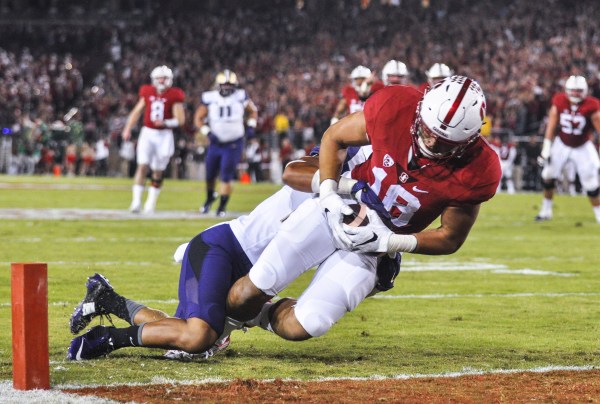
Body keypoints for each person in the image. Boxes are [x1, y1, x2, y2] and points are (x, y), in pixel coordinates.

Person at [226, 76, 501, 342]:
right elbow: (334, 136)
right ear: (421, 109)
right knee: (248, 291)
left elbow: (450, 236)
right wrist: (329, 193)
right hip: (338, 209)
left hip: (377, 248)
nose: (429, 143)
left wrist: (390, 241)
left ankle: (256, 316)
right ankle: (222, 322)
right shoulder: (396, 104)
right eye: (427, 131)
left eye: (443, 143)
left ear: (468, 140)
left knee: (309, 323)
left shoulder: (479, 168)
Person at [66, 150, 399, 360]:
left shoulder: (364, 216)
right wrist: (343, 186)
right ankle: (106, 339)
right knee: (196, 337)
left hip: (252, 274)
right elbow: (297, 169)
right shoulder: (338, 173)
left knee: (186, 333)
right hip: (225, 249)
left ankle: (108, 299)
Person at [535, 75, 600, 223]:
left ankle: (599, 214)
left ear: (585, 91)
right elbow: (551, 124)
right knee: (548, 175)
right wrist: (546, 147)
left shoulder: (592, 105)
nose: (575, 94)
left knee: (590, 181)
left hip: (583, 145)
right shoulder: (559, 100)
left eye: (579, 91)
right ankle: (546, 211)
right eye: (572, 90)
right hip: (562, 143)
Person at [121, 65, 185, 213]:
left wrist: (166, 123)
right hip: (148, 133)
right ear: (154, 80)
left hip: (164, 135)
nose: (162, 81)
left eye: (164, 78)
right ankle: (136, 202)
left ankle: (151, 201)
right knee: (142, 165)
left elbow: (180, 120)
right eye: (159, 78)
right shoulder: (147, 92)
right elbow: (136, 112)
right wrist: (127, 128)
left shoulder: (175, 95)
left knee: (158, 170)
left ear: (169, 80)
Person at [195, 69, 258, 217]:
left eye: (230, 85)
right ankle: (210, 198)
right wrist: (207, 132)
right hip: (215, 143)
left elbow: (253, 112)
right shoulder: (210, 97)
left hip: (233, 144)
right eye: (224, 84)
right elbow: (198, 118)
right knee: (210, 175)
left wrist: (251, 126)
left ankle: (221, 207)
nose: (227, 87)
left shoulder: (241, 96)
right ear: (218, 85)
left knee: (226, 175)